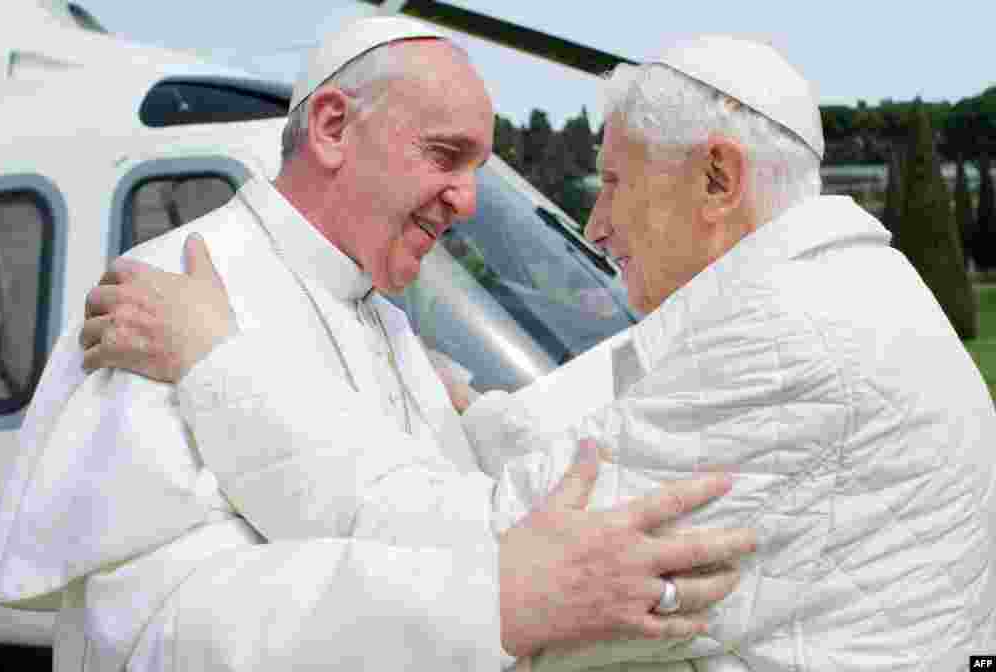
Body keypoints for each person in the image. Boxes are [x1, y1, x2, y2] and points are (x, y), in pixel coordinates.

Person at [79, 34, 996, 670]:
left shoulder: (788, 342)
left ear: (718, 179)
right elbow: (621, 408)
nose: (596, 222)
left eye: (615, 183)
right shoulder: (832, 292)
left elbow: (488, 554)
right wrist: (471, 411)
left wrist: (215, 364)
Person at [0, 17, 756, 672]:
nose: (468, 200)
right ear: (332, 127)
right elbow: (148, 632)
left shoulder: (381, 315)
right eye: (446, 157)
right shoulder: (163, 293)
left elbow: (416, 511)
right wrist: (496, 605)